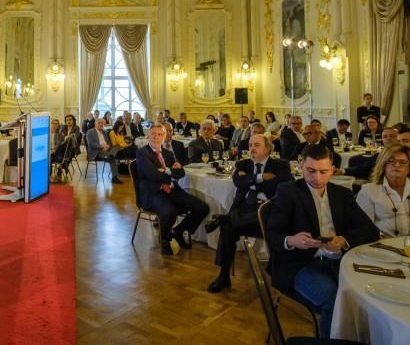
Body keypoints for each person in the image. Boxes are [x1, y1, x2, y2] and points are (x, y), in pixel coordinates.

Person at [266, 144, 379, 337]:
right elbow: (271, 233)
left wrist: (344, 240)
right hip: (299, 264)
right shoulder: (288, 191)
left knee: (369, 296)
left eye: (323, 172)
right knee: (334, 300)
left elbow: (370, 231)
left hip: (340, 260)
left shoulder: (342, 194)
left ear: (332, 170)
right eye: (311, 171)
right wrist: (291, 240)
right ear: (301, 167)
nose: (317, 178)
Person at [206, 134, 292, 293]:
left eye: (257, 145)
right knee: (228, 230)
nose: (252, 148)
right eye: (251, 145)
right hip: (245, 209)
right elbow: (238, 181)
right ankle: (223, 277)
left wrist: (251, 182)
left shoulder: (281, 165)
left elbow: (282, 187)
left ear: (267, 148)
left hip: (268, 213)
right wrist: (262, 177)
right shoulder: (242, 163)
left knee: (229, 223)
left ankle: (225, 219)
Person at [135, 124, 209, 254]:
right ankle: (164, 240)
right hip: (153, 193)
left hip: (172, 190)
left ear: (164, 137)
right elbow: (152, 174)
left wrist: (166, 170)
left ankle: (178, 231)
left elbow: (181, 173)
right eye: (153, 133)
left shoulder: (168, 154)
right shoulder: (142, 153)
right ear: (148, 135)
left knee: (202, 208)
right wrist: (171, 172)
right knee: (170, 212)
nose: (156, 137)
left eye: (159, 134)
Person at [356, 144, 410, 237]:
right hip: (383, 247)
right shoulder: (368, 191)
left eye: (403, 162)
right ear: (383, 166)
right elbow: (363, 229)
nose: (397, 165)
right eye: (391, 161)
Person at [85, 118, 123, 184]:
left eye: (102, 123)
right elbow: (91, 144)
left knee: (117, 146)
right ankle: (115, 177)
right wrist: (102, 146)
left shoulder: (104, 132)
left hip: (107, 150)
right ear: (95, 124)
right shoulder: (90, 132)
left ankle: (110, 156)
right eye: (99, 123)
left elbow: (108, 142)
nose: (100, 124)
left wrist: (108, 146)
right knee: (112, 158)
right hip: (96, 151)